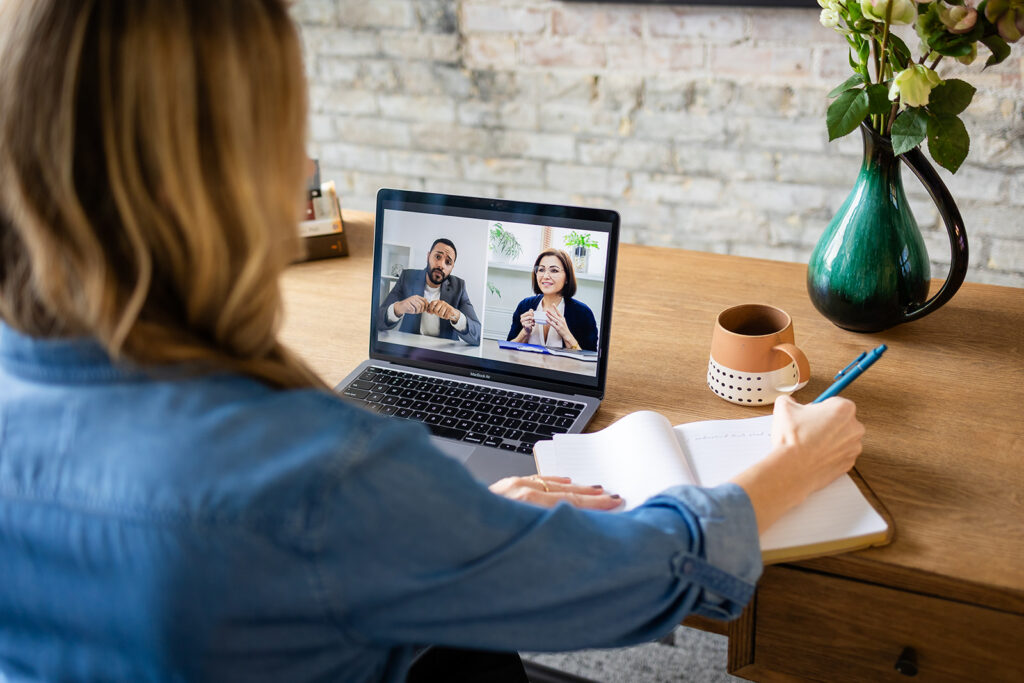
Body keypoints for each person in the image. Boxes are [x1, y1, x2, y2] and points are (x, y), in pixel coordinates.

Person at [0, 1, 865, 682]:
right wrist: (792, 463)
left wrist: (464, 528)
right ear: (238, 172)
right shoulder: (327, 478)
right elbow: (641, 577)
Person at [377, 238, 482, 346]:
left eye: (448, 262)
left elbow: (478, 335)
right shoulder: (407, 277)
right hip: (408, 349)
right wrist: (398, 308)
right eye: (437, 257)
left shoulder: (459, 287)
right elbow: (377, 321)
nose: (441, 265)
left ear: (452, 268)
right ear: (428, 256)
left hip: (444, 353)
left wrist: (456, 316)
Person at [507, 248, 599, 352]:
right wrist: (524, 333)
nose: (546, 276)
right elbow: (508, 351)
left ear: (567, 278)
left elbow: (590, 362)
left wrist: (566, 335)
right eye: (541, 270)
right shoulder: (525, 305)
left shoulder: (583, 313)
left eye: (554, 270)